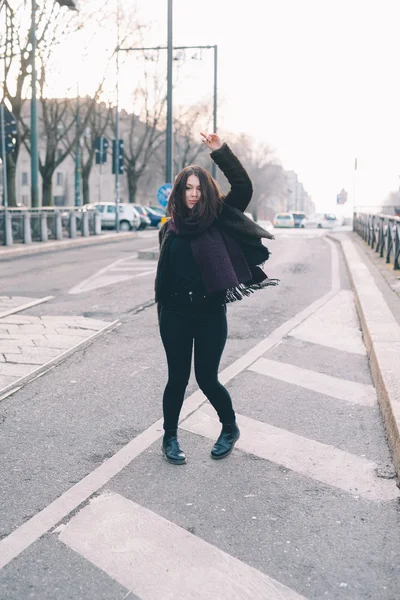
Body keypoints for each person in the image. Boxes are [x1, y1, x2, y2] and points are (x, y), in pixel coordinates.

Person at [155, 133, 278, 465]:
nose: (193, 194)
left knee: (207, 377)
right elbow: (165, 275)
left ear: (206, 191)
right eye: (188, 188)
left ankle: (229, 427)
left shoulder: (218, 216)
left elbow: (244, 188)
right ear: (180, 192)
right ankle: (170, 439)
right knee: (177, 378)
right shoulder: (169, 228)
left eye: (198, 188)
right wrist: (163, 308)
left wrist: (220, 152)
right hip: (175, 313)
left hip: (210, 312)